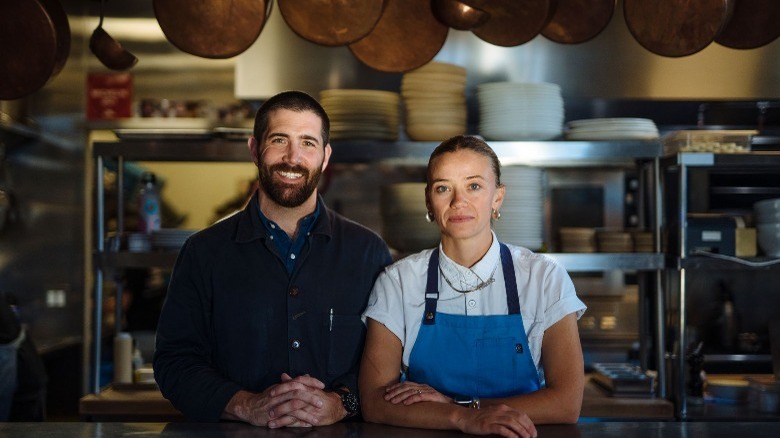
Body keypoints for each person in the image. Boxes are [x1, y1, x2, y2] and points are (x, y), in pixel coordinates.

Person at [153, 91, 392, 428]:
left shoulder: (368, 252)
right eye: (280, 140)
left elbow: (392, 364)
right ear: (254, 149)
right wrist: (245, 405)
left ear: (325, 157)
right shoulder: (203, 252)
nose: (292, 158)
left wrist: (340, 403)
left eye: (308, 143)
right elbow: (174, 363)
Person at [359, 135, 587, 438]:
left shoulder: (544, 278)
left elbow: (566, 403)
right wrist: (463, 418)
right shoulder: (398, 283)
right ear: (429, 200)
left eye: (474, 186)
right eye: (443, 188)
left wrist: (462, 406)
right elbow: (374, 403)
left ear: (498, 197)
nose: (458, 202)